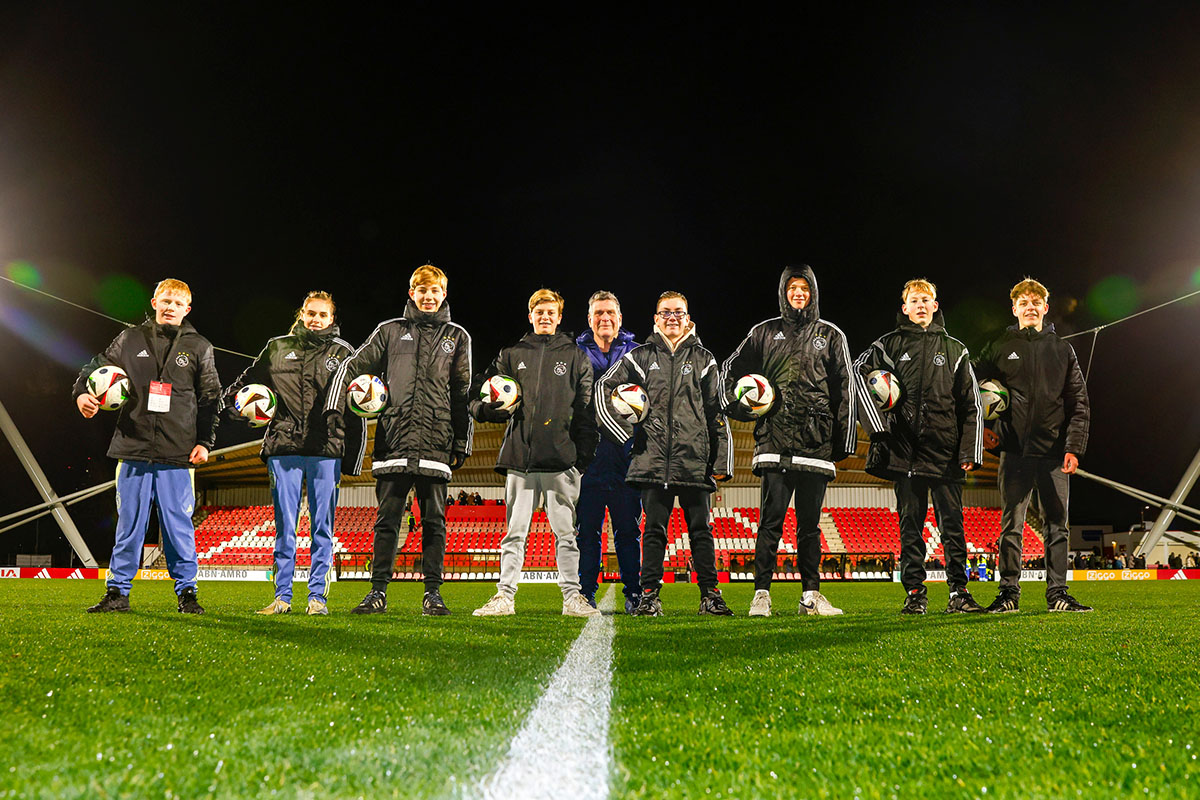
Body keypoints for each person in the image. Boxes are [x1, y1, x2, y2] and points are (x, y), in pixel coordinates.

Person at [325, 264, 472, 616]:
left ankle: (433, 594)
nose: (428, 296)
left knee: (435, 522)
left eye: (434, 290)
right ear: (412, 293)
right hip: (394, 438)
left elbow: (461, 391)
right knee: (386, 520)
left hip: (436, 441)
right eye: (422, 290)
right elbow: (352, 367)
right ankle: (377, 593)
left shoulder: (458, 336)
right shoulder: (389, 331)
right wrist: (341, 403)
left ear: (443, 295)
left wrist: (461, 441)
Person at [75, 278, 221, 614]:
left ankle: (187, 594)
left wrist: (204, 442)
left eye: (177, 303)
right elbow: (93, 369)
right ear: (155, 302)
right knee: (129, 524)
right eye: (165, 301)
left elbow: (211, 398)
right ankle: (117, 593)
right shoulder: (130, 338)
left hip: (178, 453)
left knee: (178, 526)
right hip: (133, 447)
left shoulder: (200, 346)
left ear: (187, 309)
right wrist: (83, 393)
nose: (170, 307)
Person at [722, 265, 855, 618]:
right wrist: (743, 408)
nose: (799, 293)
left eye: (804, 288)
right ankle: (761, 595)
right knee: (770, 523)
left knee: (809, 528)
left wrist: (842, 440)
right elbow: (729, 373)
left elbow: (846, 388)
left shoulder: (830, 335)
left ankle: (810, 596)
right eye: (792, 288)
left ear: (813, 292)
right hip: (774, 442)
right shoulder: (763, 333)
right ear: (784, 292)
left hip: (816, 445)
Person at [223, 291, 365, 616]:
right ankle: (282, 598)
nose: (315, 319)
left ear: (332, 320)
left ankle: (317, 599)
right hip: (283, 447)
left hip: (326, 449)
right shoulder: (277, 347)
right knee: (285, 526)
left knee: (322, 527)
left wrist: (353, 458)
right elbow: (245, 385)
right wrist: (234, 406)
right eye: (310, 313)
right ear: (302, 314)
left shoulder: (344, 353)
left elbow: (357, 406)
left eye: (322, 315)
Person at [596, 291, 734, 616]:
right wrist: (623, 432)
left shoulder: (704, 359)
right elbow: (604, 388)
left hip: (694, 461)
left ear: (688, 319)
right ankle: (649, 597)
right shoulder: (640, 357)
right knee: (653, 531)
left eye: (679, 313)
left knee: (701, 530)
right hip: (651, 458)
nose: (672, 318)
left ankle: (710, 596)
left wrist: (721, 460)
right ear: (655, 319)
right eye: (666, 313)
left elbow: (716, 411)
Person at [855, 278, 984, 614]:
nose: (921, 305)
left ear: (936, 306)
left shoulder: (956, 350)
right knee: (910, 528)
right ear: (905, 308)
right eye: (915, 300)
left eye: (927, 299)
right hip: (904, 452)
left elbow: (972, 405)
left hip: (946, 453)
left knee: (952, 527)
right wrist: (879, 428)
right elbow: (858, 374)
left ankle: (959, 592)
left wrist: (970, 450)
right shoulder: (887, 345)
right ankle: (915, 593)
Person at [470, 289, 599, 617]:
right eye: (539, 312)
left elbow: (586, 411)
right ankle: (504, 597)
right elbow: (478, 394)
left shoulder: (575, 356)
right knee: (514, 534)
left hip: (561, 462)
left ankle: (573, 598)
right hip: (521, 459)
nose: (544, 317)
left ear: (558, 317)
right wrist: (491, 412)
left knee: (566, 535)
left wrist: (580, 459)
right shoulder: (512, 354)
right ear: (530, 315)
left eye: (550, 312)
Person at [976, 278, 1091, 613]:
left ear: (1045, 307)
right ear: (1014, 309)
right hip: (1014, 452)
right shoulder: (998, 346)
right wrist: (983, 426)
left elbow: (1079, 402)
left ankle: (1058, 594)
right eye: (1022, 302)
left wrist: (1074, 447)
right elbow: (972, 385)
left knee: (1058, 525)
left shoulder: (1062, 349)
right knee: (1011, 526)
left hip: (1055, 454)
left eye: (1035, 301)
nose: (1029, 307)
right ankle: (1008, 594)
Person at [575, 290, 642, 614]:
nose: (605, 318)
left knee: (628, 531)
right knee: (587, 532)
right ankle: (584, 593)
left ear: (619, 318)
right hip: (588, 459)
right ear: (590, 319)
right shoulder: (575, 353)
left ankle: (635, 593)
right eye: (598, 313)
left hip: (627, 458)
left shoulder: (637, 353)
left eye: (610, 313)